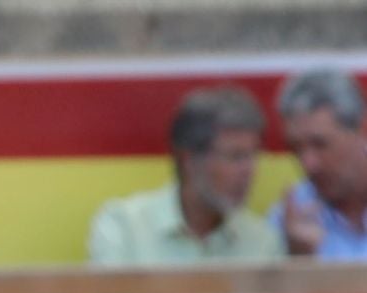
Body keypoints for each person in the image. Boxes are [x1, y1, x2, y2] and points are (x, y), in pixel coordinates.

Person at [87, 86, 284, 266]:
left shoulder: (262, 241)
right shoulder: (124, 228)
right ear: (188, 160)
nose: (249, 171)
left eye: (253, 156)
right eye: (235, 157)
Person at [271, 69, 367, 260]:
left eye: (320, 144)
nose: (308, 164)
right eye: (296, 149)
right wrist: (297, 260)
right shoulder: (289, 220)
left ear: (361, 129)